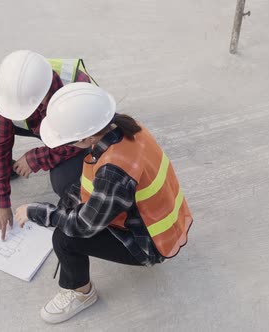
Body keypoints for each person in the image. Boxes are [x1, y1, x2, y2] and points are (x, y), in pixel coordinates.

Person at [15, 83, 193, 324]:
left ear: (88, 137)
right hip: (159, 220)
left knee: (65, 238)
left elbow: (83, 226)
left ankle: (81, 293)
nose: (66, 146)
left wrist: (36, 211)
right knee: (68, 196)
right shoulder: (128, 127)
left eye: (69, 141)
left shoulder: (114, 171)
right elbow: (91, 186)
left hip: (149, 244)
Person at [0, 50, 97, 239]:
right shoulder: (11, 89)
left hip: (70, 134)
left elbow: (84, 139)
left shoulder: (76, 90)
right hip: (41, 125)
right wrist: (1, 200)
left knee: (65, 184)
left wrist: (36, 158)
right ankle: (6, 171)